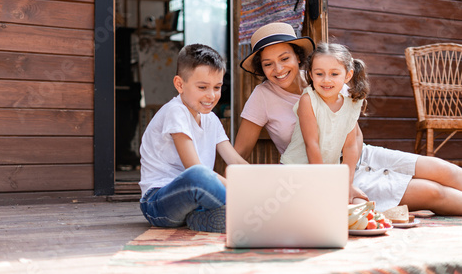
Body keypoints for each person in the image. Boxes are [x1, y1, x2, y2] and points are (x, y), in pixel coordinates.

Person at [235, 22, 462, 214]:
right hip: (322, 172)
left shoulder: (324, 75)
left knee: (445, 170)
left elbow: (355, 137)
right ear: (261, 68)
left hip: (356, 158)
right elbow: (239, 154)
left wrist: (347, 176)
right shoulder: (262, 96)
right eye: (268, 64)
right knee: (433, 192)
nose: (278, 68)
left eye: (285, 58)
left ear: (298, 57)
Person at [139, 44, 249, 233]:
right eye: (202, 87)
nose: (211, 95)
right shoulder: (175, 111)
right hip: (157, 202)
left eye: (217, 87)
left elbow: (235, 160)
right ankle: (247, 211)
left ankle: (201, 218)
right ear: (180, 84)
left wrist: (263, 185)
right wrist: (240, 191)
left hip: (193, 201)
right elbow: (194, 169)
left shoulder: (211, 119)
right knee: (199, 175)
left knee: (206, 179)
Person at [280, 43, 369, 200]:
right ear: (311, 75)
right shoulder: (308, 100)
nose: (326, 80)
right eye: (319, 74)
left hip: (328, 174)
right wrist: (322, 184)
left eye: (334, 74)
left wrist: (346, 185)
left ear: (348, 76)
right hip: (296, 173)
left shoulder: (351, 104)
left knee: (357, 204)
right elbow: (311, 144)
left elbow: (350, 146)